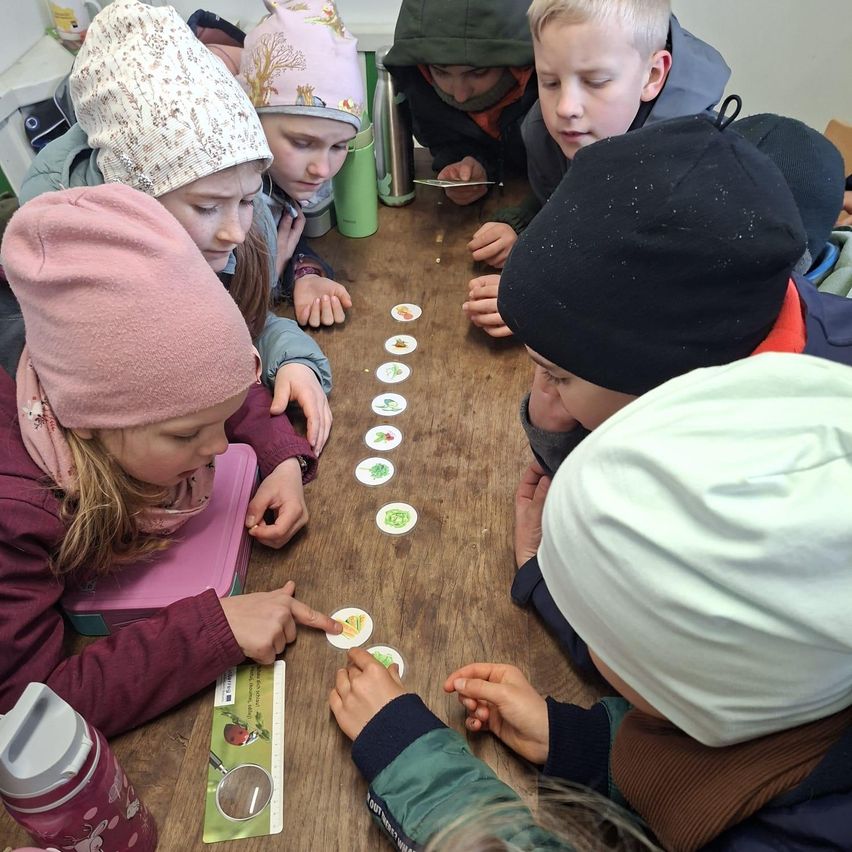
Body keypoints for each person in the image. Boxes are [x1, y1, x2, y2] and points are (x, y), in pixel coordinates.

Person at [330, 353, 852, 850]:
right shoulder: (804, 682)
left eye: (596, 633)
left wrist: (413, 760)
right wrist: (586, 744)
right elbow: (727, 762)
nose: (586, 641)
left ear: (685, 683)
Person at [490, 111, 852, 664]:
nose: (541, 393)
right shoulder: (738, 322)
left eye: (557, 374)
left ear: (667, 392)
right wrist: (560, 429)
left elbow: (675, 676)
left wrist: (544, 580)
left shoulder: (787, 493)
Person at [0, 183, 341, 737]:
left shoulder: (130, 398)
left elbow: (221, 391)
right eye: (187, 436)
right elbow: (26, 714)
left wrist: (280, 457)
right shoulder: (14, 509)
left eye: (217, 424)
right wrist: (212, 630)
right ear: (86, 420)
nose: (221, 448)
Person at [16, 0, 334, 454]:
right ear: (133, 200)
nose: (236, 233)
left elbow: (239, 321)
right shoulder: (66, 278)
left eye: (246, 200)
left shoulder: (225, 233)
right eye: (206, 208)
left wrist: (290, 359)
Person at [464, 0, 730, 330]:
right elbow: (570, 204)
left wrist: (542, 302)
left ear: (652, 75)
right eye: (550, 82)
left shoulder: (695, 171)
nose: (566, 107)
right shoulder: (550, 132)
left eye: (595, 81)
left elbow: (670, 299)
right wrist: (524, 222)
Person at [235, 0, 366, 328]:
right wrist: (265, 278)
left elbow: (287, 238)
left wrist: (305, 272)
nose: (322, 169)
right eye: (302, 143)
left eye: (339, 146)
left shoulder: (274, 179)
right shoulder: (223, 199)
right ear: (250, 120)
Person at [383, 0, 537, 210]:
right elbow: (447, 141)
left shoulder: (552, 96)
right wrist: (470, 165)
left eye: (478, 72)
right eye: (441, 71)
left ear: (518, 63)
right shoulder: (422, 84)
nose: (460, 95)